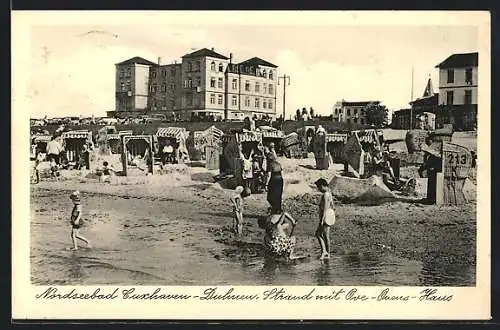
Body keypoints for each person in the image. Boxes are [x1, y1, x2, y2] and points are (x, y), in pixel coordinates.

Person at [315, 178, 335, 260]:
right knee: (324, 235)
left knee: (319, 234)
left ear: (322, 186)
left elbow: (325, 208)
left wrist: (322, 220)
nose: (318, 189)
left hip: (326, 215)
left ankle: (325, 252)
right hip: (330, 214)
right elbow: (333, 206)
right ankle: (327, 253)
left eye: (319, 187)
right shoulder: (329, 193)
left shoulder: (325, 195)